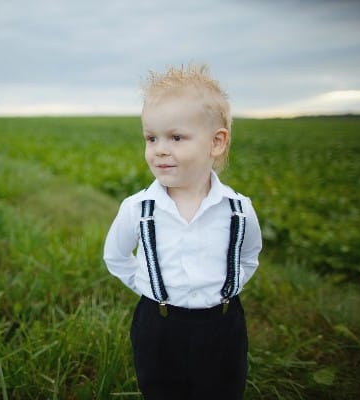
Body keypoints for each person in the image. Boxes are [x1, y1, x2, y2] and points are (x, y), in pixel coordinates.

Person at [103, 64, 263, 399]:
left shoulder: (238, 209)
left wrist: (228, 288)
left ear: (216, 143)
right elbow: (116, 257)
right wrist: (148, 287)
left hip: (222, 323)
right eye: (151, 138)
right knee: (161, 388)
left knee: (222, 389)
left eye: (176, 137)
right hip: (157, 323)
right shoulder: (138, 209)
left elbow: (248, 257)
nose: (160, 149)